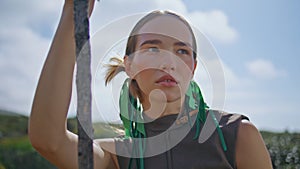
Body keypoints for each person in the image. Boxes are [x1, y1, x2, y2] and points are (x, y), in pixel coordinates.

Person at [28, 0, 273, 169]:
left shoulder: (236, 134)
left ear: (193, 68)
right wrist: (72, 12)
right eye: (153, 48)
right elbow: (49, 140)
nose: (169, 61)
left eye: (181, 51)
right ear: (130, 66)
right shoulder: (118, 156)